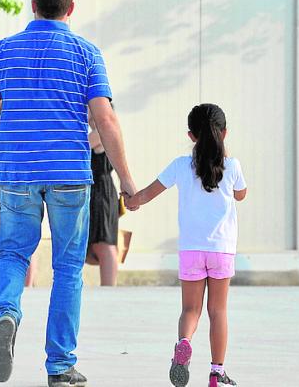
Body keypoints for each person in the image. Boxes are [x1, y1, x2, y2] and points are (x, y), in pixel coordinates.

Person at [0, 0, 138, 387]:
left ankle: (5, 314)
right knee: (69, 267)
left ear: (32, 4)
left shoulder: (4, 51)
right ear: (70, 9)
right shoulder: (87, 53)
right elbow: (105, 119)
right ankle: (59, 366)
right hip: (70, 175)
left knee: (13, 253)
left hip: (17, 173)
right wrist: (127, 179)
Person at [125, 104, 247, 387]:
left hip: (191, 249)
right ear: (224, 133)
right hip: (221, 250)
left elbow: (146, 194)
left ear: (191, 135)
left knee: (190, 310)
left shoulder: (181, 165)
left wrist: (131, 200)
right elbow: (241, 194)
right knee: (218, 311)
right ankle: (217, 372)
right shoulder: (233, 166)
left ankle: (183, 344)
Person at [0, 105, 37, 288]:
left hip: (18, 185)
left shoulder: (22, 125)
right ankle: (14, 283)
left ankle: (27, 283)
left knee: (24, 237)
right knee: (6, 238)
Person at [85, 108, 120, 286]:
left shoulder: (101, 132)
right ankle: (108, 286)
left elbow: (79, 146)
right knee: (99, 241)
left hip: (101, 191)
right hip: (94, 190)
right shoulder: (98, 132)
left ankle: (109, 286)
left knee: (104, 242)